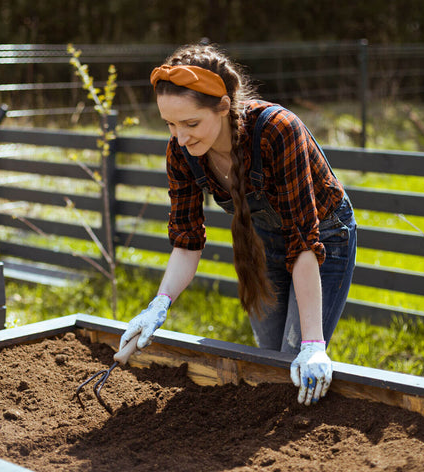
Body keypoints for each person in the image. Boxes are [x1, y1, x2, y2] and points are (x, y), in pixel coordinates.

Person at [119, 43, 357, 406]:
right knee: (268, 359)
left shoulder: (278, 130)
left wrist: (312, 344)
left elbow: (303, 242)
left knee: (295, 356)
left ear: (224, 107)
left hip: (322, 237)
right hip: (262, 242)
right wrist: (159, 303)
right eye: (169, 124)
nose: (180, 137)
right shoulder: (182, 152)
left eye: (191, 123)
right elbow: (187, 241)